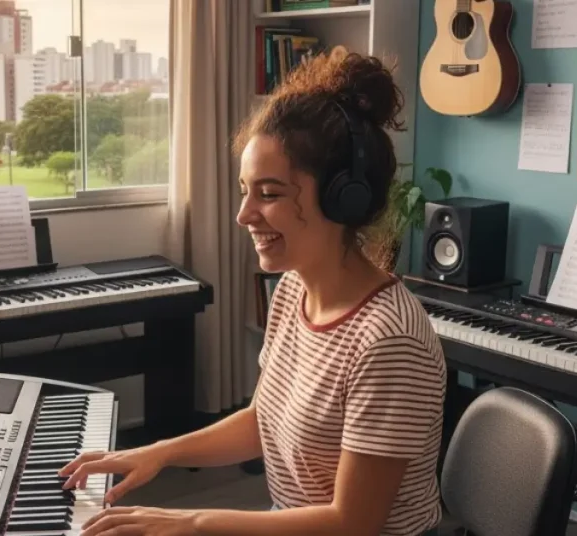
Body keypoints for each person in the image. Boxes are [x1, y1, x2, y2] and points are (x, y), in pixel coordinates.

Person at [60, 50, 447, 536]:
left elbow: (353, 522)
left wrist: (192, 521)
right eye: (245, 190)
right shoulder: (291, 291)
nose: (244, 215)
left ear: (343, 197)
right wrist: (158, 453)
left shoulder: (388, 343)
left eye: (269, 193)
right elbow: (262, 419)